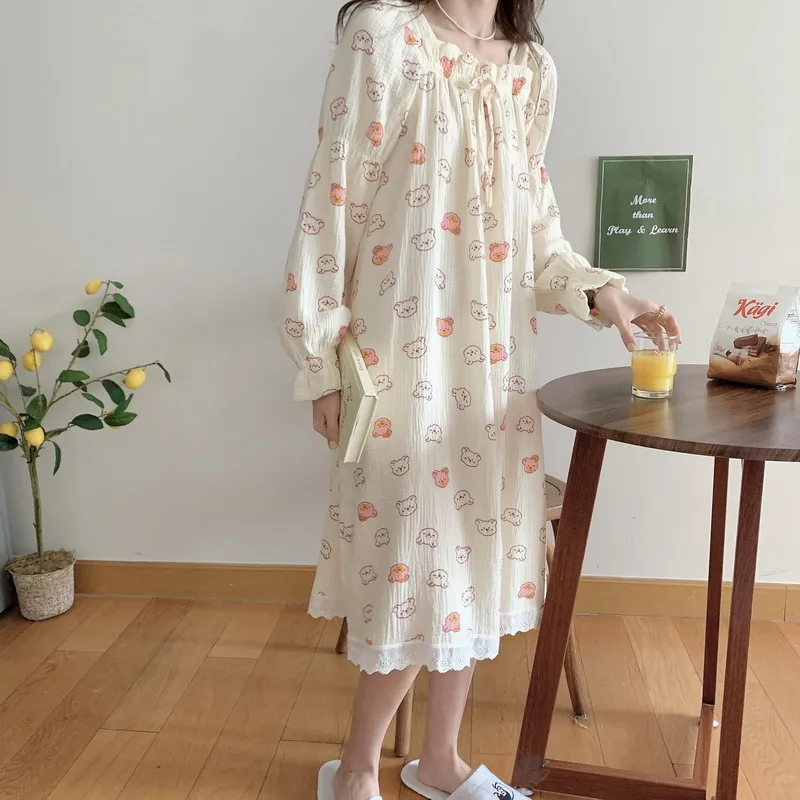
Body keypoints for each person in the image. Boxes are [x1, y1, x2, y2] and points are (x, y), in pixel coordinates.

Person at [279, 2, 681, 799]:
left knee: (469, 557)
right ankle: (355, 767)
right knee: (416, 562)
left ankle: (440, 761)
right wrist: (321, 362)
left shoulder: (530, 67)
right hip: (399, 354)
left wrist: (605, 294)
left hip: (495, 364)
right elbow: (331, 204)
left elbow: (535, 228)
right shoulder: (384, 36)